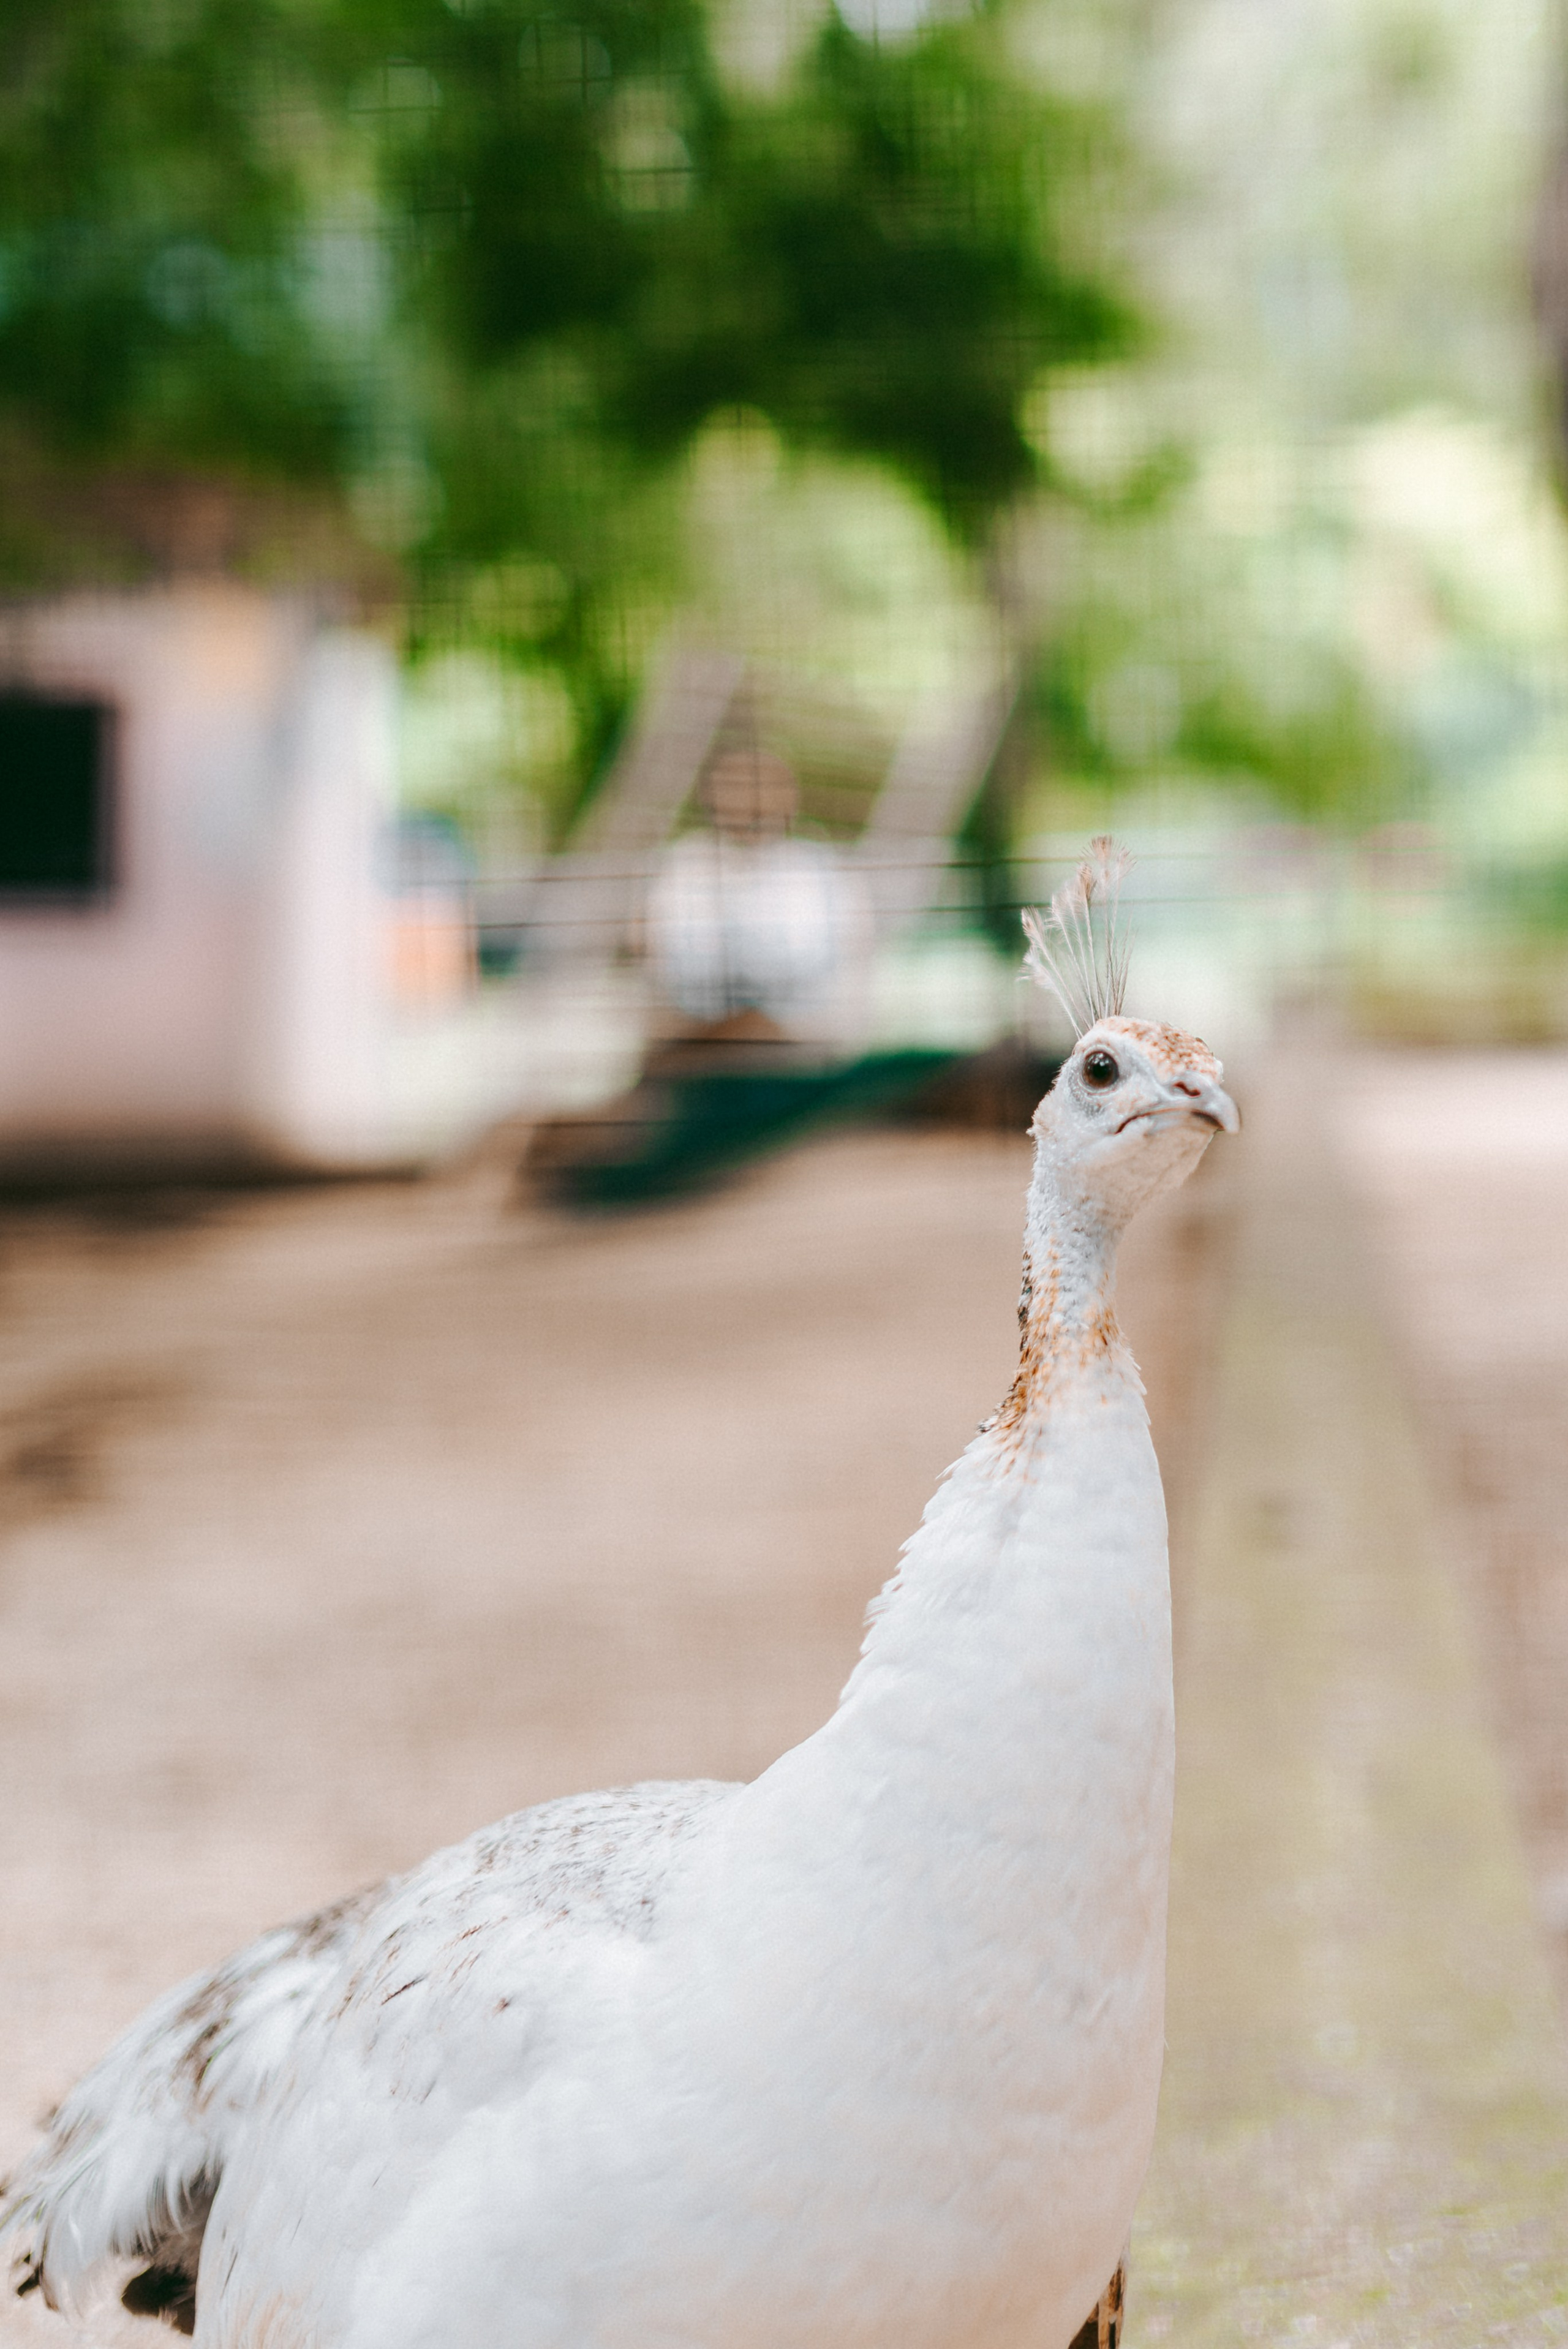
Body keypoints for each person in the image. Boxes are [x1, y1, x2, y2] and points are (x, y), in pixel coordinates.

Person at [644, 747, 871, 1047]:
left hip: (797, 1044)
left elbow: (849, 970)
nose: (749, 802)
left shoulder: (820, 871)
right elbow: (660, 966)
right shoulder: (684, 865)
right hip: (698, 1042)